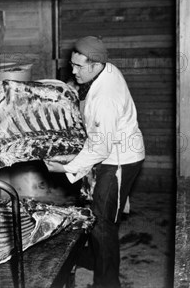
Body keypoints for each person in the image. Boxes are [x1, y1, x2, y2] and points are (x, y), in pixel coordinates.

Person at [45, 36, 145, 288]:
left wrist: (67, 167)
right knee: (100, 215)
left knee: (103, 224)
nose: (73, 71)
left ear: (96, 64)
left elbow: (101, 147)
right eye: (72, 64)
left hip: (119, 161)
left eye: (79, 67)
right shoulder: (106, 70)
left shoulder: (105, 98)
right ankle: (94, 257)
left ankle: (107, 283)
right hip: (111, 153)